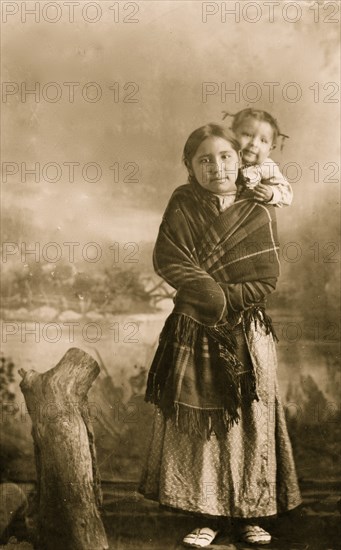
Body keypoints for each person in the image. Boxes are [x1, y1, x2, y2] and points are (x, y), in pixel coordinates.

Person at [139, 123, 301, 547]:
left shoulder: (258, 208)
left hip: (247, 331)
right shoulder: (183, 203)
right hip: (196, 326)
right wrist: (211, 295)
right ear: (190, 167)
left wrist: (225, 301)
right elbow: (169, 258)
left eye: (225, 156)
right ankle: (206, 515)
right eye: (204, 160)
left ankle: (250, 513)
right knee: (203, 429)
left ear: (240, 158)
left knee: (250, 422)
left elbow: (266, 278)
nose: (217, 167)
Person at [223, 108, 293, 208]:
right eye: (247, 135)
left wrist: (271, 194)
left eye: (263, 140)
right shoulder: (222, 155)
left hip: (246, 214)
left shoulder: (266, 166)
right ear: (231, 134)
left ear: (270, 149)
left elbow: (287, 194)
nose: (254, 143)